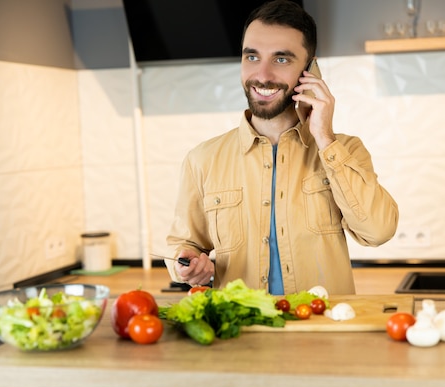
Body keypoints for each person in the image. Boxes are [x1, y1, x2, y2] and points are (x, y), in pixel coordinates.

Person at [165, 0, 398, 297]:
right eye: (252, 57)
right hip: (241, 333)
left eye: (281, 59)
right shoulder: (202, 159)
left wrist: (324, 138)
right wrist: (187, 264)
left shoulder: (344, 150)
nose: (262, 75)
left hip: (322, 332)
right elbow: (183, 245)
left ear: (310, 68)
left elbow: (377, 231)